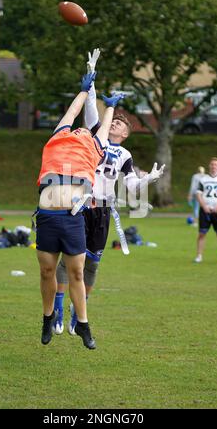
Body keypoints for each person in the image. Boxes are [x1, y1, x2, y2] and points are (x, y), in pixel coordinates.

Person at [53, 48, 165, 335]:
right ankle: (57, 306)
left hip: (103, 209)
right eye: (112, 120)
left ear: (125, 134)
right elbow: (91, 110)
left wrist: (148, 179)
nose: (113, 122)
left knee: (92, 265)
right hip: (81, 204)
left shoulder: (125, 154)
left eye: (118, 123)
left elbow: (130, 187)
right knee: (69, 259)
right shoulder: (94, 137)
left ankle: (80, 316)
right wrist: (91, 81)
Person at [36, 70, 125, 349]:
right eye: (76, 128)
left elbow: (102, 127)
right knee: (47, 272)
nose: (79, 129)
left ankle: (83, 324)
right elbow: (72, 113)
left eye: (84, 130)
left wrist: (110, 107)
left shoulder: (94, 147)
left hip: (72, 217)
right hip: (48, 215)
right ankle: (47, 317)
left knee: (76, 272)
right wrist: (84, 91)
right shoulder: (59, 137)